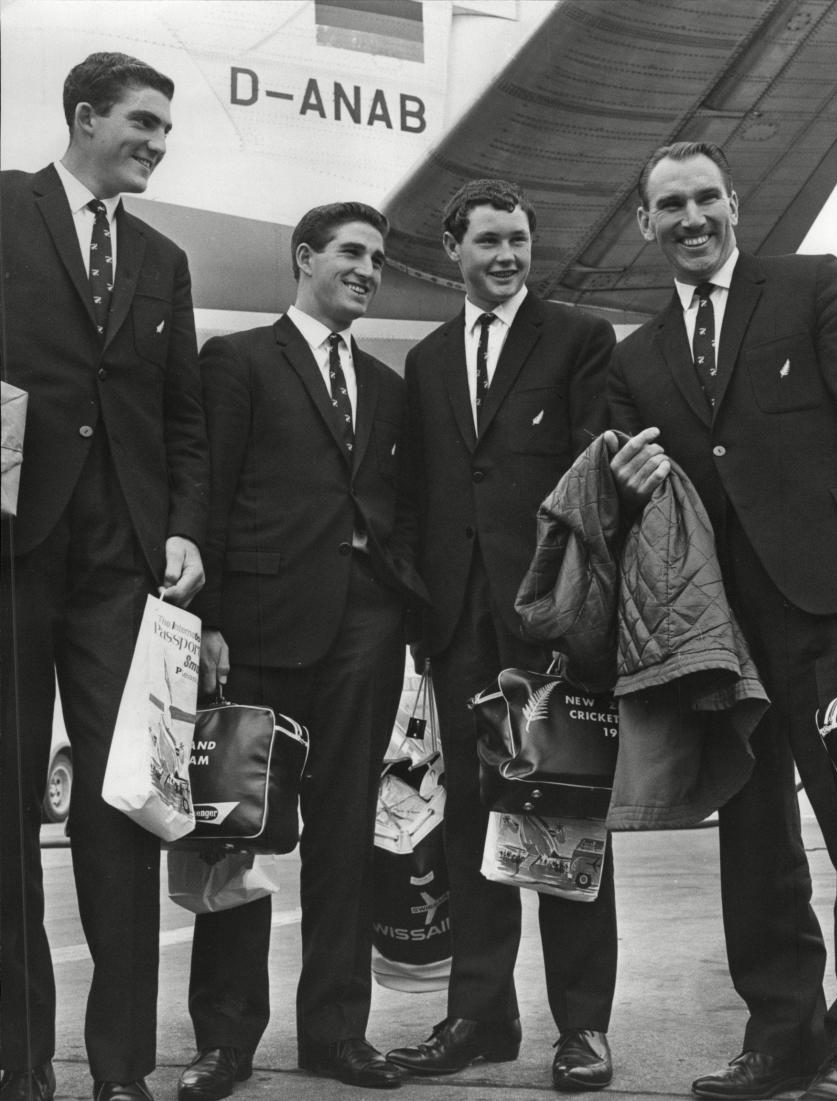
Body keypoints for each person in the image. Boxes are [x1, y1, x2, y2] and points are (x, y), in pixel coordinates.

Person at [607, 141, 837, 1101]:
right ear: (646, 225)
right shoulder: (637, 359)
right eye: (670, 205)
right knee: (752, 841)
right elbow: (646, 507)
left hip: (831, 609)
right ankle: (781, 1034)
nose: (691, 218)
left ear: (736, 205)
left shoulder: (811, 287)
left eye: (706, 197)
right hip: (720, 634)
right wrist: (626, 490)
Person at [177, 202, 427, 1101]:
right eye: (352, 254)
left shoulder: (390, 387)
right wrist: (206, 620)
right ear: (304, 257)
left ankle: (336, 1033)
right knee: (232, 836)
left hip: (364, 630)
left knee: (346, 840)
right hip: (257, 627)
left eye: (379, 259)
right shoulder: (238, 360)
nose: (368, 269)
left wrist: (400, 605)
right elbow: (209, 484)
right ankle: (225, 1040)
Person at [0, 52, 209, 1101]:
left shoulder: (164, 260)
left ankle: (121, 1070)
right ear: (84, 118)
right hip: (11, 547)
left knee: (123, 813)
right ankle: (21, 1062)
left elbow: (184, 421)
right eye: (142, 123)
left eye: (165, 129)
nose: (157, 144)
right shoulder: (3, 209)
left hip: (121, 565)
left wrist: (182, 528)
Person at [386, 179, 619, 1094]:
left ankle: (583, 1027)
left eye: (519, 240)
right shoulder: (430, 359)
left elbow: (595, 480)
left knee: (562, 822)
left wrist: (571, 612)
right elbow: (419, 499)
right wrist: (421, 613)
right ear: (454, 249)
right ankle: (479, 1017)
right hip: (457, 630)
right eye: (488, 241)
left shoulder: (577, 340)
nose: (508, 256)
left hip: (547, 628)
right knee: (471, 830)